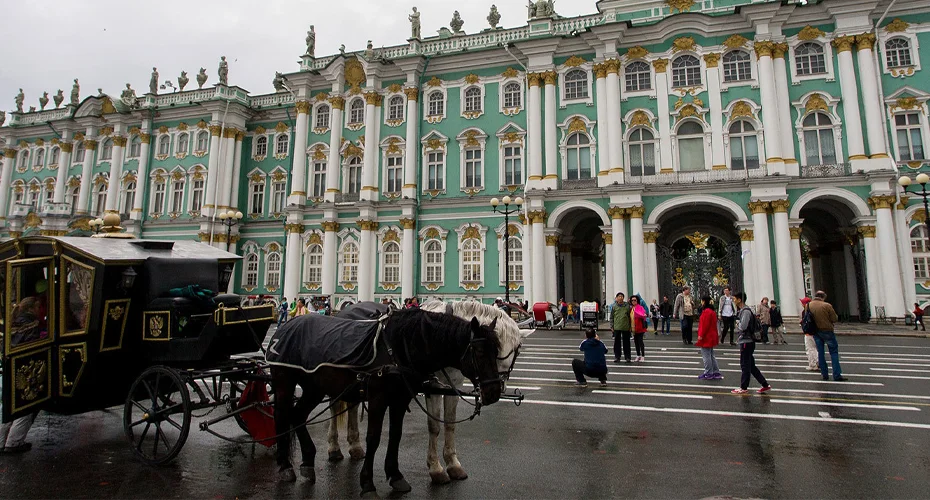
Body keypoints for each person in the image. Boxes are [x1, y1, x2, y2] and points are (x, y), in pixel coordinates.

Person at [731, 291, 772, 395]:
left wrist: (737, 324)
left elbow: (743, 326)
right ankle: (765, 384)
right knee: (751, 366)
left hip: (746, 341)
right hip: (748, 341)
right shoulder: (744, 310)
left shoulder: (745, 311)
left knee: (745, 365)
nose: (733, 300)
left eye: (735, 298)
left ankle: (743, 387)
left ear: (739, 299)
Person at [808, 291, 846, 381]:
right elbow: (834, 319)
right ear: (823, 297)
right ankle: (836, 374)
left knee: (820, 353)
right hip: (827, 331)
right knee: (833, 352)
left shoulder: (808, 305)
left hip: (815, 331)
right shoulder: (827, 305)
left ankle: (824, 374)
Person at [696, 295, 723, 380]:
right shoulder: (712, 311)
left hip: (707, 336)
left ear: (704, 301)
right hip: (712, 335)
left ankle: (708, 372)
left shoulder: (706, 312)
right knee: (711, 354)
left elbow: (704, 325)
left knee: (706, 355)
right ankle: (715, 371)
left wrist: (701, 335)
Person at [611, 293, 632, 363]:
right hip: (616, 327)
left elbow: (630, 317)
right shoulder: (614, 306)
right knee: (617, 343)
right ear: (616, 298)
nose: (620, 298)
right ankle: (617, 357)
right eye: (619, 296)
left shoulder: (627, 306)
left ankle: (627, 357)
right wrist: (612, 326)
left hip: (626, 327)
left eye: (622, 296)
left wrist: (630, 326)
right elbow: (611, 317)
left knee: (626, 343)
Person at [800, 297, 819, 371]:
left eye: (802, 303)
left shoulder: (805, 312)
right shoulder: (814, 310)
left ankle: (812, 364)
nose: (801, 304)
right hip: (815, 332)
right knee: (815, 349)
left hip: (808, 333)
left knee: (810, 349)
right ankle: (817, 362)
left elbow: (806, 322)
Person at [630, 295, 648, 362]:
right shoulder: (631, 308)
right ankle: (638, 355)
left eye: (635, 300)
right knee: (636, 342)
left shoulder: (640, 307)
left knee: (640, 342)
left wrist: (643, 315)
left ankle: (643, 355)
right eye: (632, 300)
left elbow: (644, 315)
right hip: (633, 327)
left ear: (637, 301)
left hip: (640, 327)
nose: (633, 301)